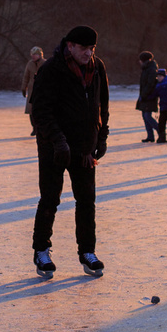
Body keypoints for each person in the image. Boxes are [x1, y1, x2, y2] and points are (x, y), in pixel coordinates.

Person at [28, 25, 110, 279]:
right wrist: (58, 141)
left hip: (85, 147)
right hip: (54, 147)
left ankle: (87, 251)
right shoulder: (51, 70)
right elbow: (41, 111)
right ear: (70, 46)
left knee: (86, 200)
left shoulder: (97, 68)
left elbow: (102, 104)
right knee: (50, 199)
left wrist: (102, 135)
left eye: (92, 48)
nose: (89, 53)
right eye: (84, 49)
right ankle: (41, 250)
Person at [135, 51, 159, 142]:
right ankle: (150, 136)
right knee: (144, 116)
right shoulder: (146, 68)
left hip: (150, 97)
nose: (139, 62)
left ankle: (161, 132)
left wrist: (144, 94)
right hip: (145, 96)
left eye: (140, 60)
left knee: (147, 116)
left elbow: (150, 84)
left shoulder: (151, 69)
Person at [22, 46, 46, 137]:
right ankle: (34, 128)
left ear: (40, 55)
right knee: (31, 111)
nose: (33, 56)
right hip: (32, 91)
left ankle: (41, 128)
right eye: (32, 54)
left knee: (41, 110)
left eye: (35, 54)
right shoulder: (30, 64)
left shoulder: (45, 64)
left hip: (43, 91)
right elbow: (26, 77)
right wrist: (24, 88)